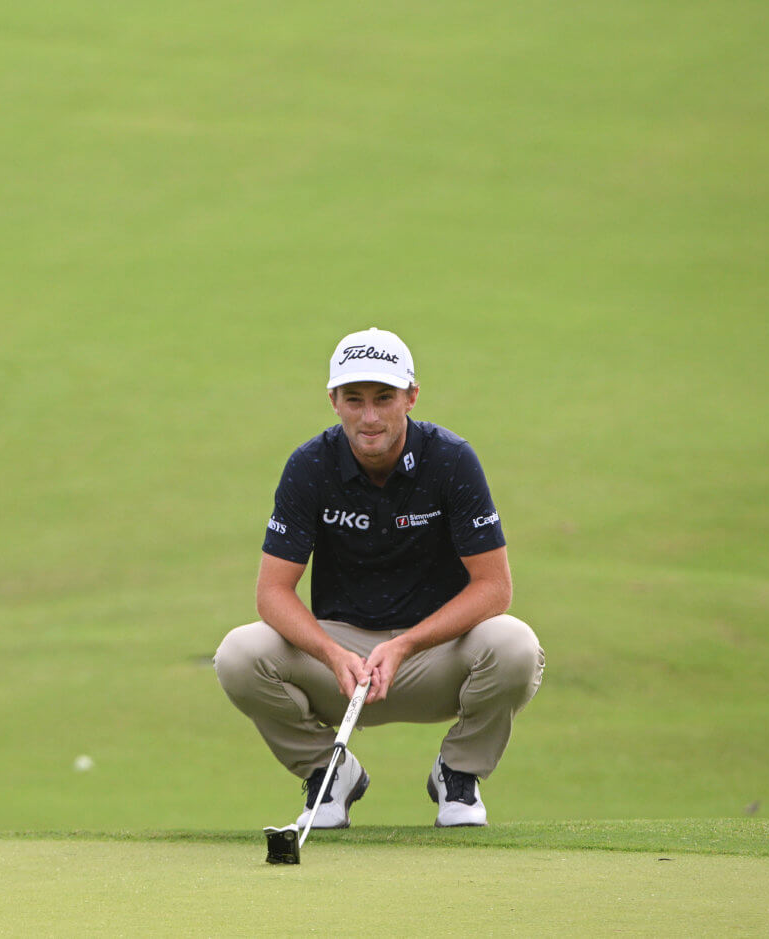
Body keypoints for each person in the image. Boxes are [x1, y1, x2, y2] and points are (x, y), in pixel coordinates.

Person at [214, 327, 544, 828]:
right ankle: (330, 773)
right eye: (354, 399)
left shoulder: (451, 460)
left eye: (384, 398)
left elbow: (495, 587)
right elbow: (272, 593)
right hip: (340, 661)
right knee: (239, 654)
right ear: (333, 401)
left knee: (515, 644)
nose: (369, 417)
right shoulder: (309, 467)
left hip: (434, 652)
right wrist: (331, 652)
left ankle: (458, 773)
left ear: (411, 396)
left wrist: (407, 644)